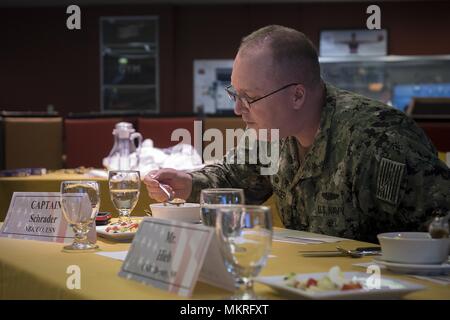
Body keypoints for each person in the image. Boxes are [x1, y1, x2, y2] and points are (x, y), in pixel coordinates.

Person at [144, 25, 450, 243]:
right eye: (234, 94)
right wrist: (187, 183)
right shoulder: (271, 134)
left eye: (249, 97)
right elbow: (232, 179)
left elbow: (440, 227)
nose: (238, 109)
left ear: (297, 96)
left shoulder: (380, 139)